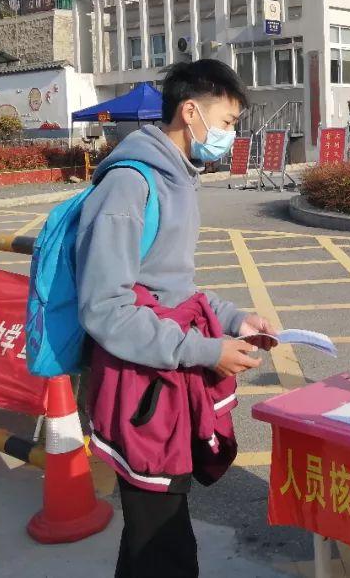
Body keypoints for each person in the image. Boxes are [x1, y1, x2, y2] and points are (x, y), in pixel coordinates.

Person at [74, 60, 275, 578]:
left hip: (165, 377)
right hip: (140, 388)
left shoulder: (179, 177)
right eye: (228, 122)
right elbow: (106, 308)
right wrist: (209, 351)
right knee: (158, 536)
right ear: (191, 112)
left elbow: (174, 287)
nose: (232, 136)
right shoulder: (129, 185)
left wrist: (232, 319)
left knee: (160, 527)